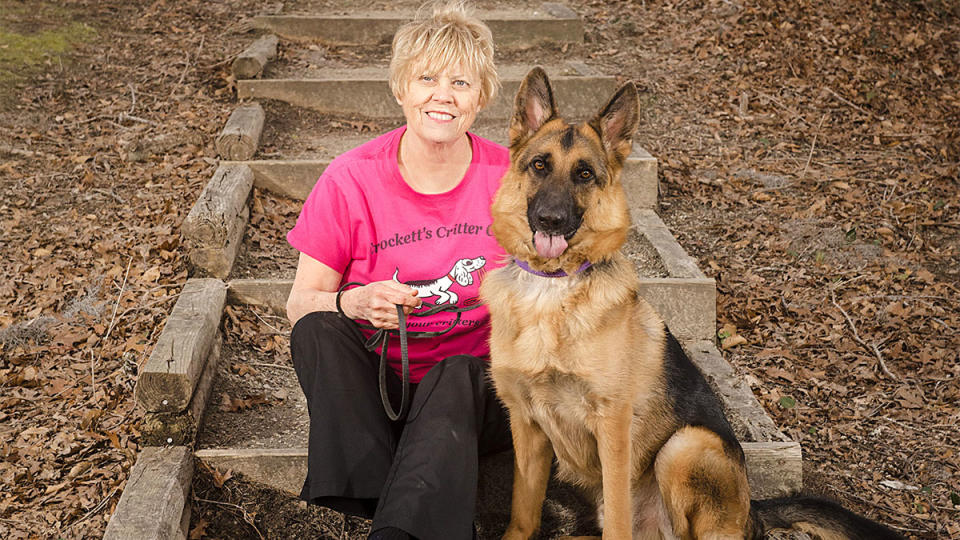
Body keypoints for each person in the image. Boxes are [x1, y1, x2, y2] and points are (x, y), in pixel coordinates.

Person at [284, 3, 512, 539]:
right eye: (427, 78)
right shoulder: (350, 179)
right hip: (379, 390)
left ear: (480, 98)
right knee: (317, 328)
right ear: (400, 89)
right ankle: (395, 496)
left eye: (461, 82)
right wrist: (354, 302)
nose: (443, 95)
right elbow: (300, 302)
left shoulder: (509, 177)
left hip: (477, 392)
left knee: (457, 371)